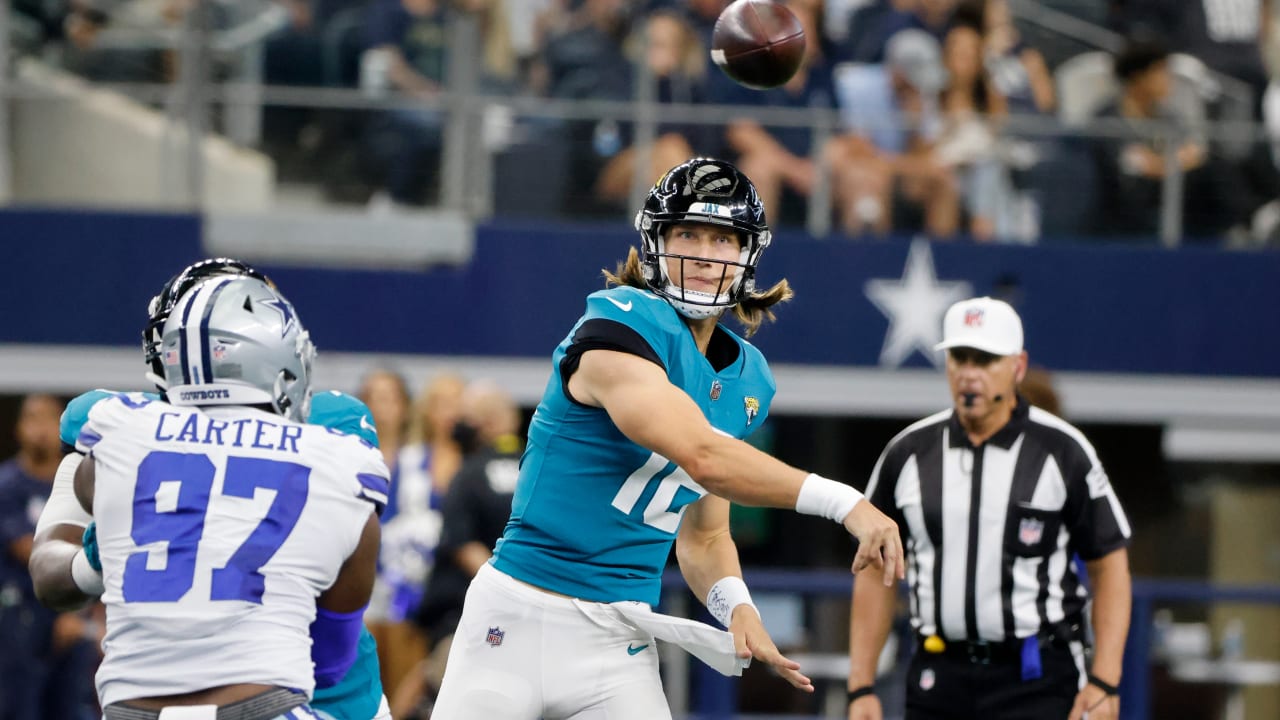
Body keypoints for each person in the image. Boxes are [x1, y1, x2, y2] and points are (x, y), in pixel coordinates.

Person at [431, 157, 904, 720]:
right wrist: (846, 503)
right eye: (687, 233)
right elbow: (702, 456)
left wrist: (737, 607)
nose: (705, 253)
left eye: (723, 238)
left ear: (747, 255)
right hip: (516, 618)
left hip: (618, 637)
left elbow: (704, 538)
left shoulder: (747, 379)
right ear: (656, 243)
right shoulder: (617, 324)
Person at [28, 258, 394, 720]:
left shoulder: (114, 427)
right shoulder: (333, 444)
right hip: (278, 693)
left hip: (312, 692)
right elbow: (46, 570)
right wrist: (99, 559)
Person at [846, 296, 1132, 720]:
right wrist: (861, 685)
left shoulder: (1063, 451)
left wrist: (1105, 680)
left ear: (1017, 367)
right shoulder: (907, 453)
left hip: (1037, 675)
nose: (969, 374)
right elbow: (874, 569)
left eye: (985, 360)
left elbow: (1109, 563)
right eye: (959, 358)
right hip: (938, 672)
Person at [396, 379, 523, 718]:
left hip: (474, 622)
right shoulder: (538, 470)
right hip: (527, 617)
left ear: (487, 422)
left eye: (466, 416)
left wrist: (504, 587)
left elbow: (464, 546)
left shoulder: (468, 474)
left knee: (450, 683)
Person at [0, 394, 99, 720]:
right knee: (19, 707)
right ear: (18, 428)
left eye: (48, 421)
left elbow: (101, 546)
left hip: (74, 614)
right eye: (32, 420)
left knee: (71, 707)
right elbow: (29, 549)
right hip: (20, 615)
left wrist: (82, 617)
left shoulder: (80, 479)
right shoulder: (7, 483)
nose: (39, 430)